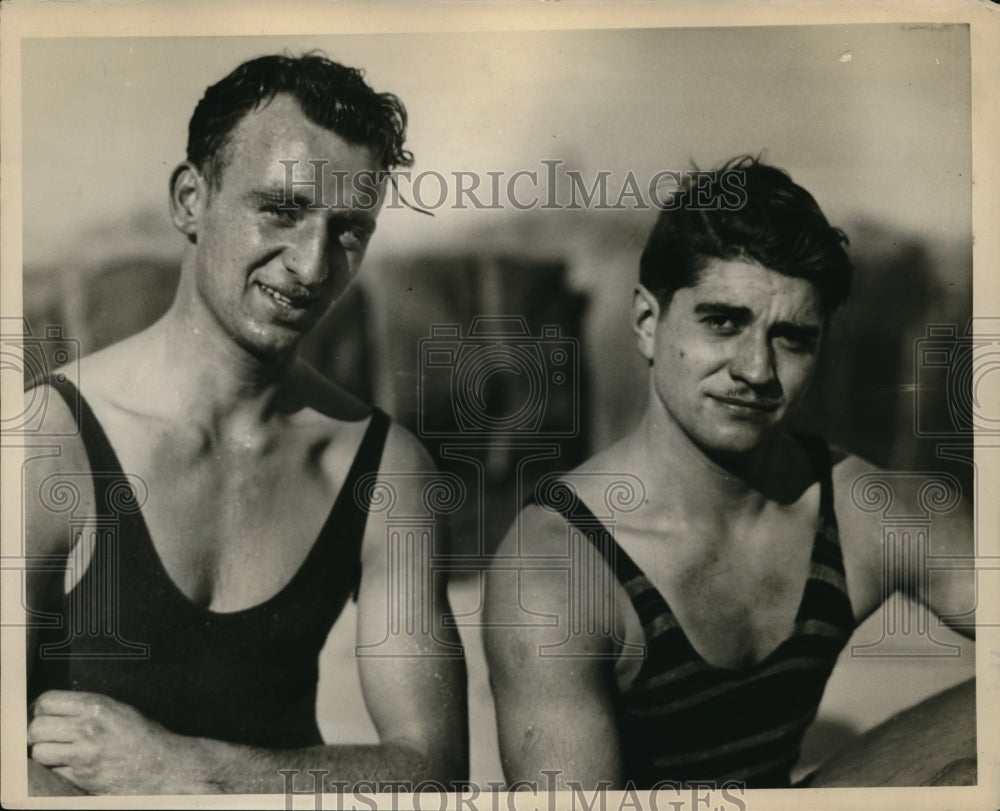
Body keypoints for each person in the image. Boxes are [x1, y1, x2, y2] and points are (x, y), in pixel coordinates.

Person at [24, 54, 468, 795]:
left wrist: (184, 769)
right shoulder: (45, 442)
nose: (311, 263)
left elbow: (434, 771)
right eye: (282, 209)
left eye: (348, 228)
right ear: (191, 200)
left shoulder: (384, 470)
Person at [484, 156, 975, 790]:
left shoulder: (857, 505)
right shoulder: (556, 568)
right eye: (723, 322)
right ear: (647, 324)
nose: (756, 370)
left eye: (791, 338)